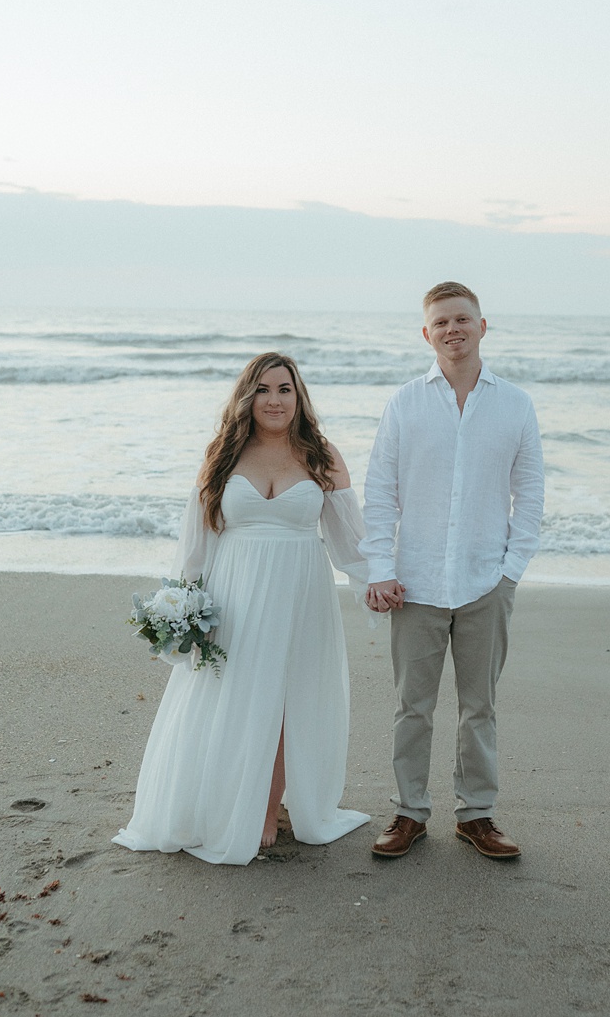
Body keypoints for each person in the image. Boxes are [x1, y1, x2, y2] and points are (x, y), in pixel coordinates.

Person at [114, 353, 370, 865]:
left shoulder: (322, 455)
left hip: (300, 593)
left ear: (299, 397)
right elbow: (195, 541)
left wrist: (379, 584)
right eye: (263, 390)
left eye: (285, 389)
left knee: (282, 698)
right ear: (247, 397)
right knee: (226, 695)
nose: (274, 400)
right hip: (232, 593)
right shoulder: (223, 454)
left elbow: (350, 541)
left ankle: (267, 807)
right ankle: (216, 796)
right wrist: (181, 606)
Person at [360, 282, 544, 860]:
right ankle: (409, 812)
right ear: (426, 334)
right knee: (411, 705)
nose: (452, 330)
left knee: (479, 706)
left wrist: (510, 571)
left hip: (486, 582)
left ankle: (477, 815)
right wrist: (379, 568)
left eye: (462, 319)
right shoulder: (404, 404)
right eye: (441, 323)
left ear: (483, 326)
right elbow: (380, 494)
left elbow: (531, 494)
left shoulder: (514, 404)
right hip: (413, 584)